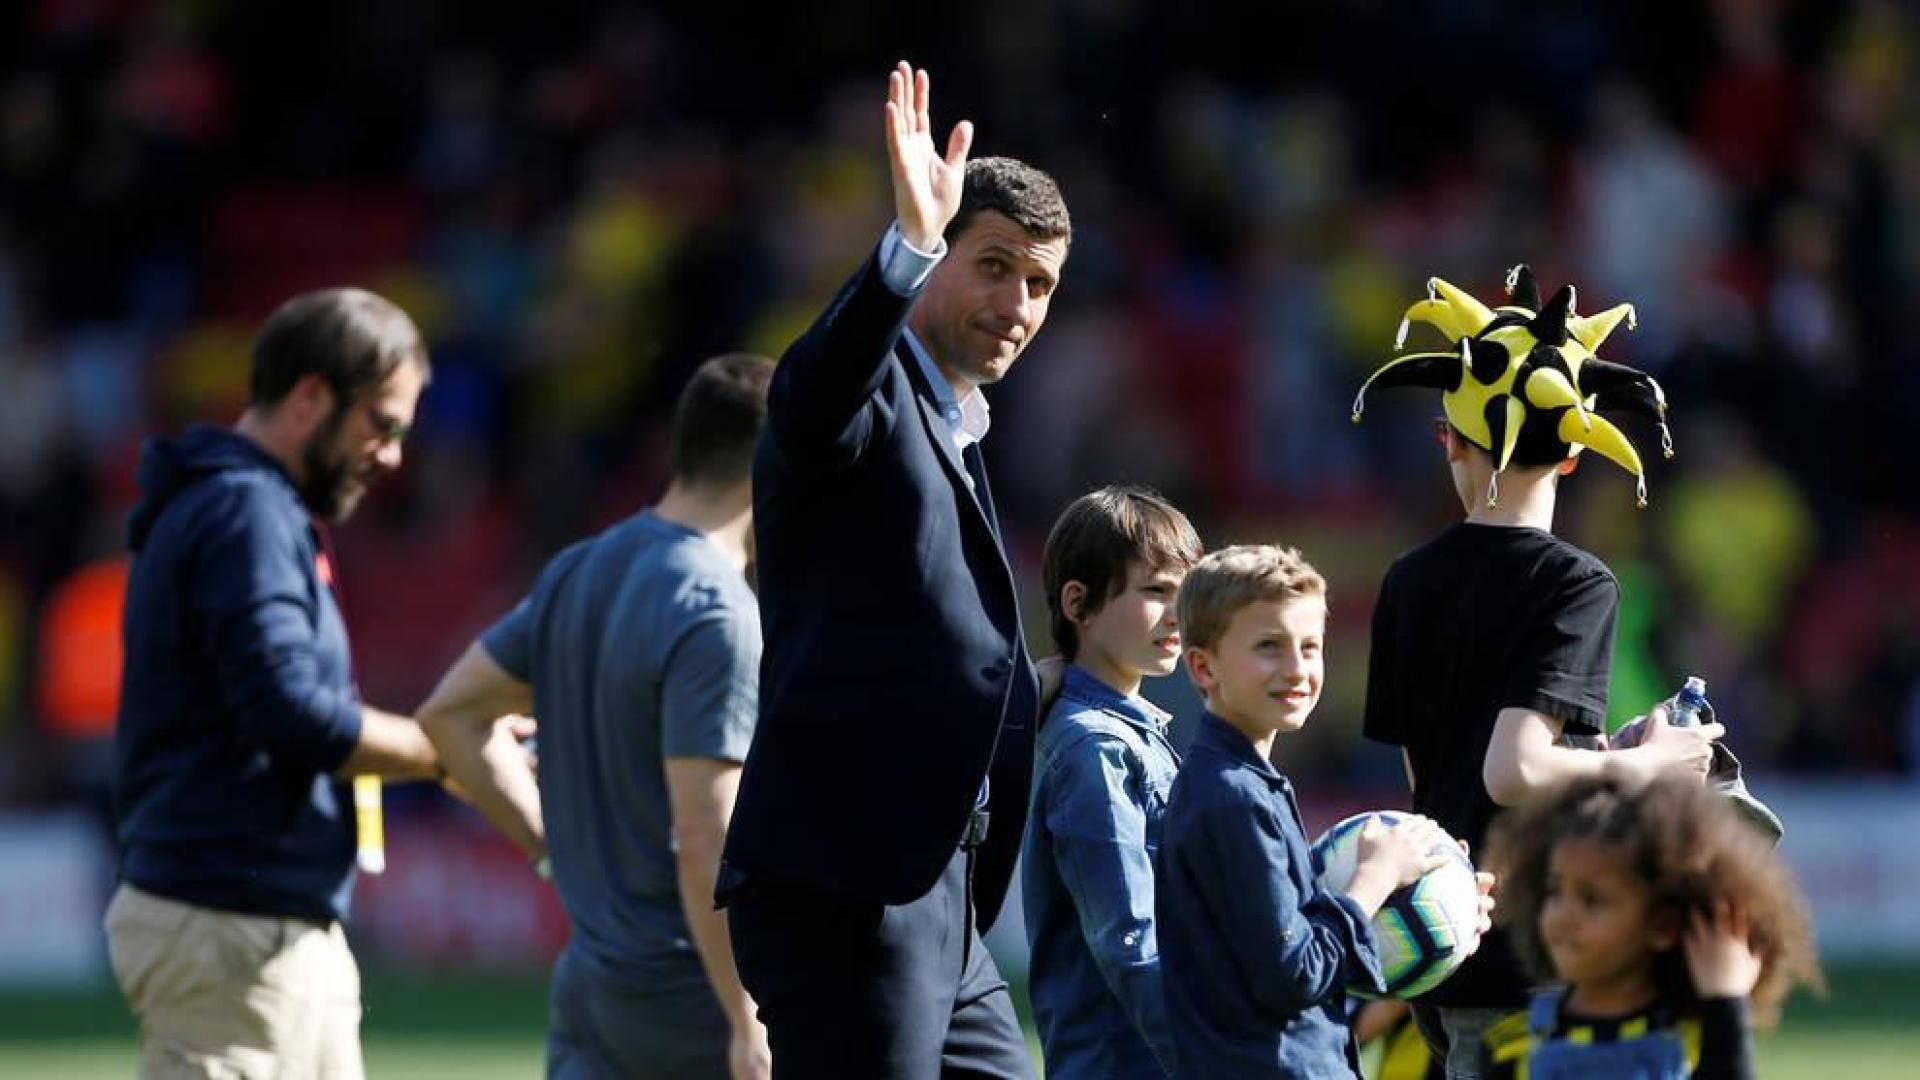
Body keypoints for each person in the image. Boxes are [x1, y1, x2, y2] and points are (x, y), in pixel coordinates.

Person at [717, 62, 1069, 1078]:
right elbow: (815, 392)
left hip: (936, 901)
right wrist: (905, 249)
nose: (1016, 301)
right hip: (846, 892)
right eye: (992, 265)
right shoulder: (863, 403)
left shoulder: (956, 423)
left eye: (1039, 283)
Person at [105, 288, 496, 1078]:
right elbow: (291, 714)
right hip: (229, 930)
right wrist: (446, 752)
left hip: (258, 927)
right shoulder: (245, 512)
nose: (390, 457)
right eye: (380, 426)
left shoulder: (247, 508)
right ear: (311, 396)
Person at [1352, 266, 1729, 1077]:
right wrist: (1652, 762)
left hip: (1444, 940)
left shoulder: (1406, 578)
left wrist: (1599, 758)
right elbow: (1514, 769)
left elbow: (1436, 771)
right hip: (1534, 944)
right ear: (1571, 458)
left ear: (1448, 438)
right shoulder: (1578, 582)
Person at [415, 353, 776, 1080]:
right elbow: (706, 833)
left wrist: (550, 845)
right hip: (689, 993)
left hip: (591, 980)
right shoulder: (717, 610)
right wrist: (746, 1017)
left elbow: (449, 714)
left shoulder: (580, 567)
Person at [1154, 544, 1495, 1078]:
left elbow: (1295, 949)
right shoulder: (1232, 798)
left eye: (1310, 647)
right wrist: (1378, 878)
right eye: (1269, 646)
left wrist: (1442, 915)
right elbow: (1298, 973)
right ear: (1203, 666)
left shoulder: (1247, 783)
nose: (1296, 669)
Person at [1022, 485, 1203, 1079]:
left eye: (1188, 595)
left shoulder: (1136, 732)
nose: (1179, 615)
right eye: (1156, 592)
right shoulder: (1093, 747)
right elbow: (1128, 935)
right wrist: (1205, 1059)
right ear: (1078, 604)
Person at [1480, 774, 1823, 1078]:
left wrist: (1726, 1003)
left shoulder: (1696, 1043)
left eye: (1592, 900)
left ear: (1663, 926)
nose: (1562, 914)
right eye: (1555, 891)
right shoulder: (1511, 1046)